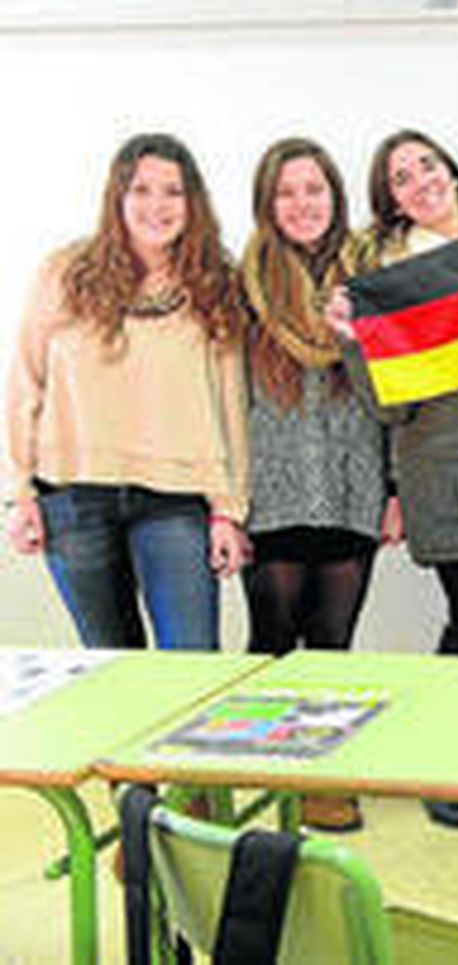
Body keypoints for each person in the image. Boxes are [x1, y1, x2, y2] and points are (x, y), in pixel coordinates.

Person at [332, 129, 458, 832]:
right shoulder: (394, 278)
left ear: (450, 168)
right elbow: (389, 403)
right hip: (441, 480)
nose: (420, 179)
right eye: (400, 177)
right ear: (391, 201)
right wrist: (357, 340)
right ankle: (444, 764)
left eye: (427, 163)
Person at [5, 133, 250, 650]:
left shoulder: (215, 285)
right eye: (141, 190)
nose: (156, 206)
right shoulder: (65, 273)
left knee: (191, 667)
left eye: (172, 192)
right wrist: (19, 495)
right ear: (117, 197)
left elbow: (231, 405)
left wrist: (229, 509)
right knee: (111, 671)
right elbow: (25, 384)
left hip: (176, 499)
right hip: (73, 498)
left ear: (193, 203)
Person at [239, 137, 401, 832]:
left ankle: (321, 780)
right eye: (287, 192)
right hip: (270, 486)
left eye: (315, 189)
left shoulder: (371, 275)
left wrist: (396, 487)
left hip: (351, 478)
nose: (302, 204)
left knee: (332, 638)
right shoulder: (240, 284)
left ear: (335, 195)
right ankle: (240, 771)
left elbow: (400, 384)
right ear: (266, 204)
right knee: (272, 640)